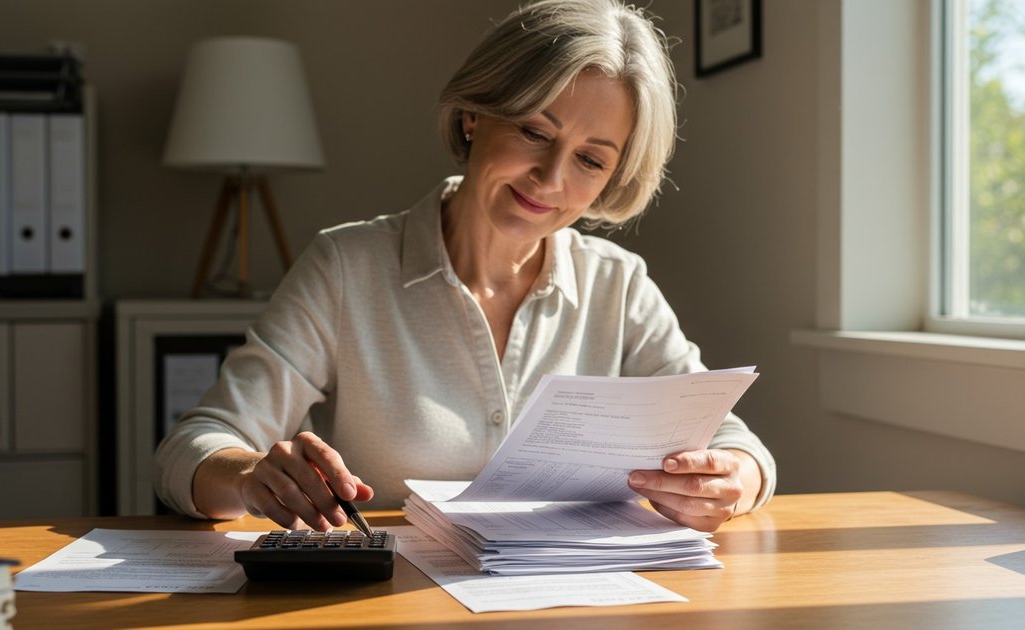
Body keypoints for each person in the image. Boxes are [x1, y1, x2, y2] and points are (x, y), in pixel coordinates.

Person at [154, 0, 776, 534]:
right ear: (477, 114)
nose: (551, 179)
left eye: (590, 160)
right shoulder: (346, 267)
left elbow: (737, 445)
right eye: (535, 132)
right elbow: (190, 450)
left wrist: (733, 480)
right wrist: (250, 476)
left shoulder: (619, 285)